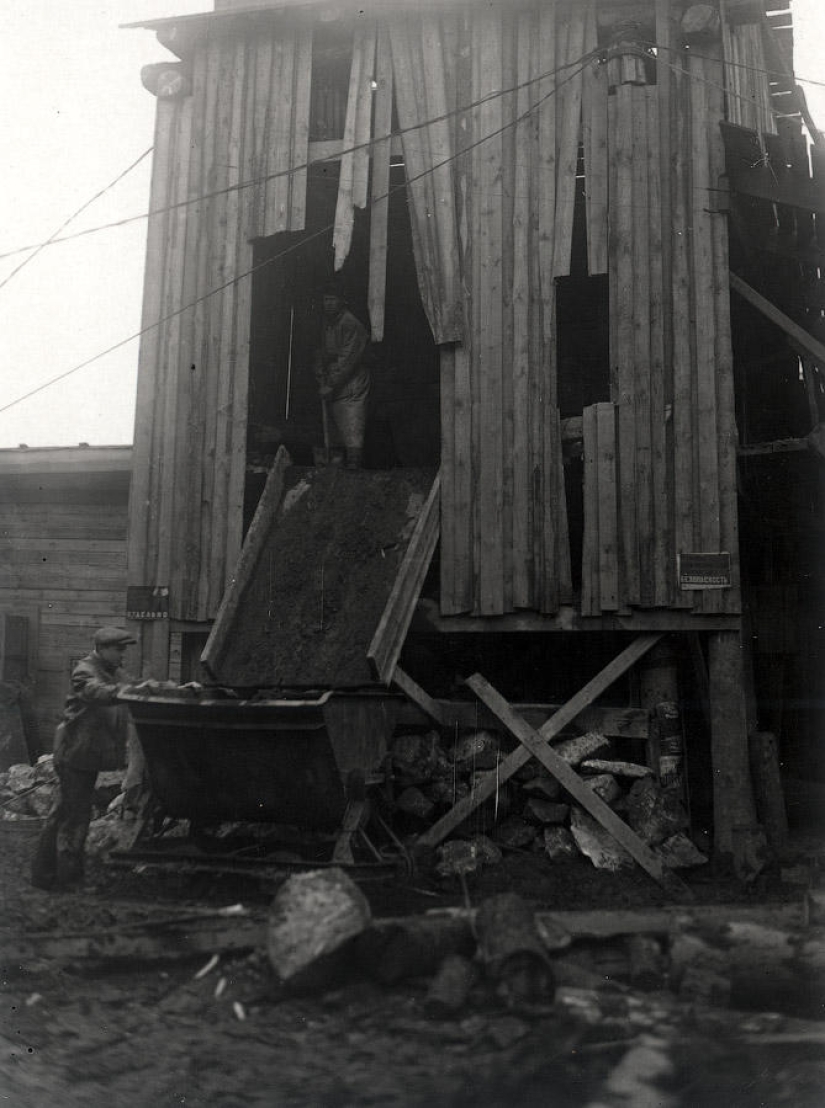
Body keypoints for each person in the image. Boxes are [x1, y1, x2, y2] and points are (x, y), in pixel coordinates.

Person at [31, 626, 139, 891]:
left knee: (62, 814)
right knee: (75, 818)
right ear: (102, 649)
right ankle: (69, 880)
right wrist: (125, 692)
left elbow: (132, 684)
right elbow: (97, 692)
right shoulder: (85, 671)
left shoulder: (112, 671)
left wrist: (157, 687)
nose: (122, 655)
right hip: (75, 756)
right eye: (118, 650)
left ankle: (43, 876)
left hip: (84, 755)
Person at [313, 284, 370, 469]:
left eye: (332, 299)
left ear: (342, 301)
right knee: (335, 423)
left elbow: (349, 358)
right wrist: (321, 376)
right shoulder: (327, 323)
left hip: (352, 381)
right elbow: (320, 352)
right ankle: (337, 467)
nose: (328, 304)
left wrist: (331, 383)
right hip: (334, 381)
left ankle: (354, 465)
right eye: (325, 300)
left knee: (352, 422)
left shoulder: (350, 323)